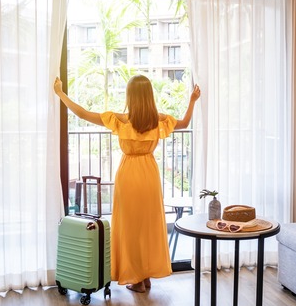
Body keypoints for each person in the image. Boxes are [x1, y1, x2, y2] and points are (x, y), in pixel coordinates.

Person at [54, 75, 200, 293]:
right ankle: (146, 276)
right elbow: (186, 122)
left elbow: (83, 113)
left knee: (130, 229)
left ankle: (137, 280)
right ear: (149, 96)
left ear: (130, 97)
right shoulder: (159, 120)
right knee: (148, 227)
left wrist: (60, 93)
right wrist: (192, 100)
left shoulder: (121, 120)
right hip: (149, 175)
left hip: (129, 175)